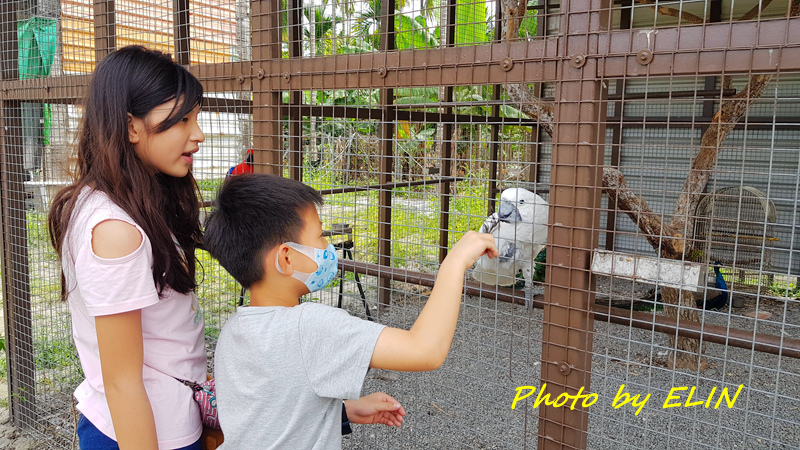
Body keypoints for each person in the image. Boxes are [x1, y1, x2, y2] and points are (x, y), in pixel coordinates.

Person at [203, 173, 499, 449]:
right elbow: (425, 349)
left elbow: (265, 411)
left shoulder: (234, 331)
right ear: (287, 257)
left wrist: (341, 411)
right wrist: (454, 263)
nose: (327, 247)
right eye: (320, 237)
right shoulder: (309, 326)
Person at [48, 45, 209, 449]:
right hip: (144, 432)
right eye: (182, 120)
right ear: (131, 127)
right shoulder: (115, 229)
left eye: (197, 118)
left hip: (161, 416)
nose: (198, 135)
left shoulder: (119, 201)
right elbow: (122, 382)